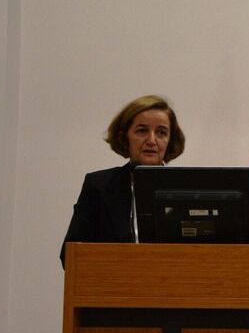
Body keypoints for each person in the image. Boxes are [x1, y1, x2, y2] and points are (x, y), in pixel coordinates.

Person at [60, 95, 185, 265]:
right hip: (111, 279)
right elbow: (71, 256)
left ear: (170, 141)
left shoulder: (185, 188)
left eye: (161, 133)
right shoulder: (99, 186)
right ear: (124, 137)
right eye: (142, 131)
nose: (151, 140)